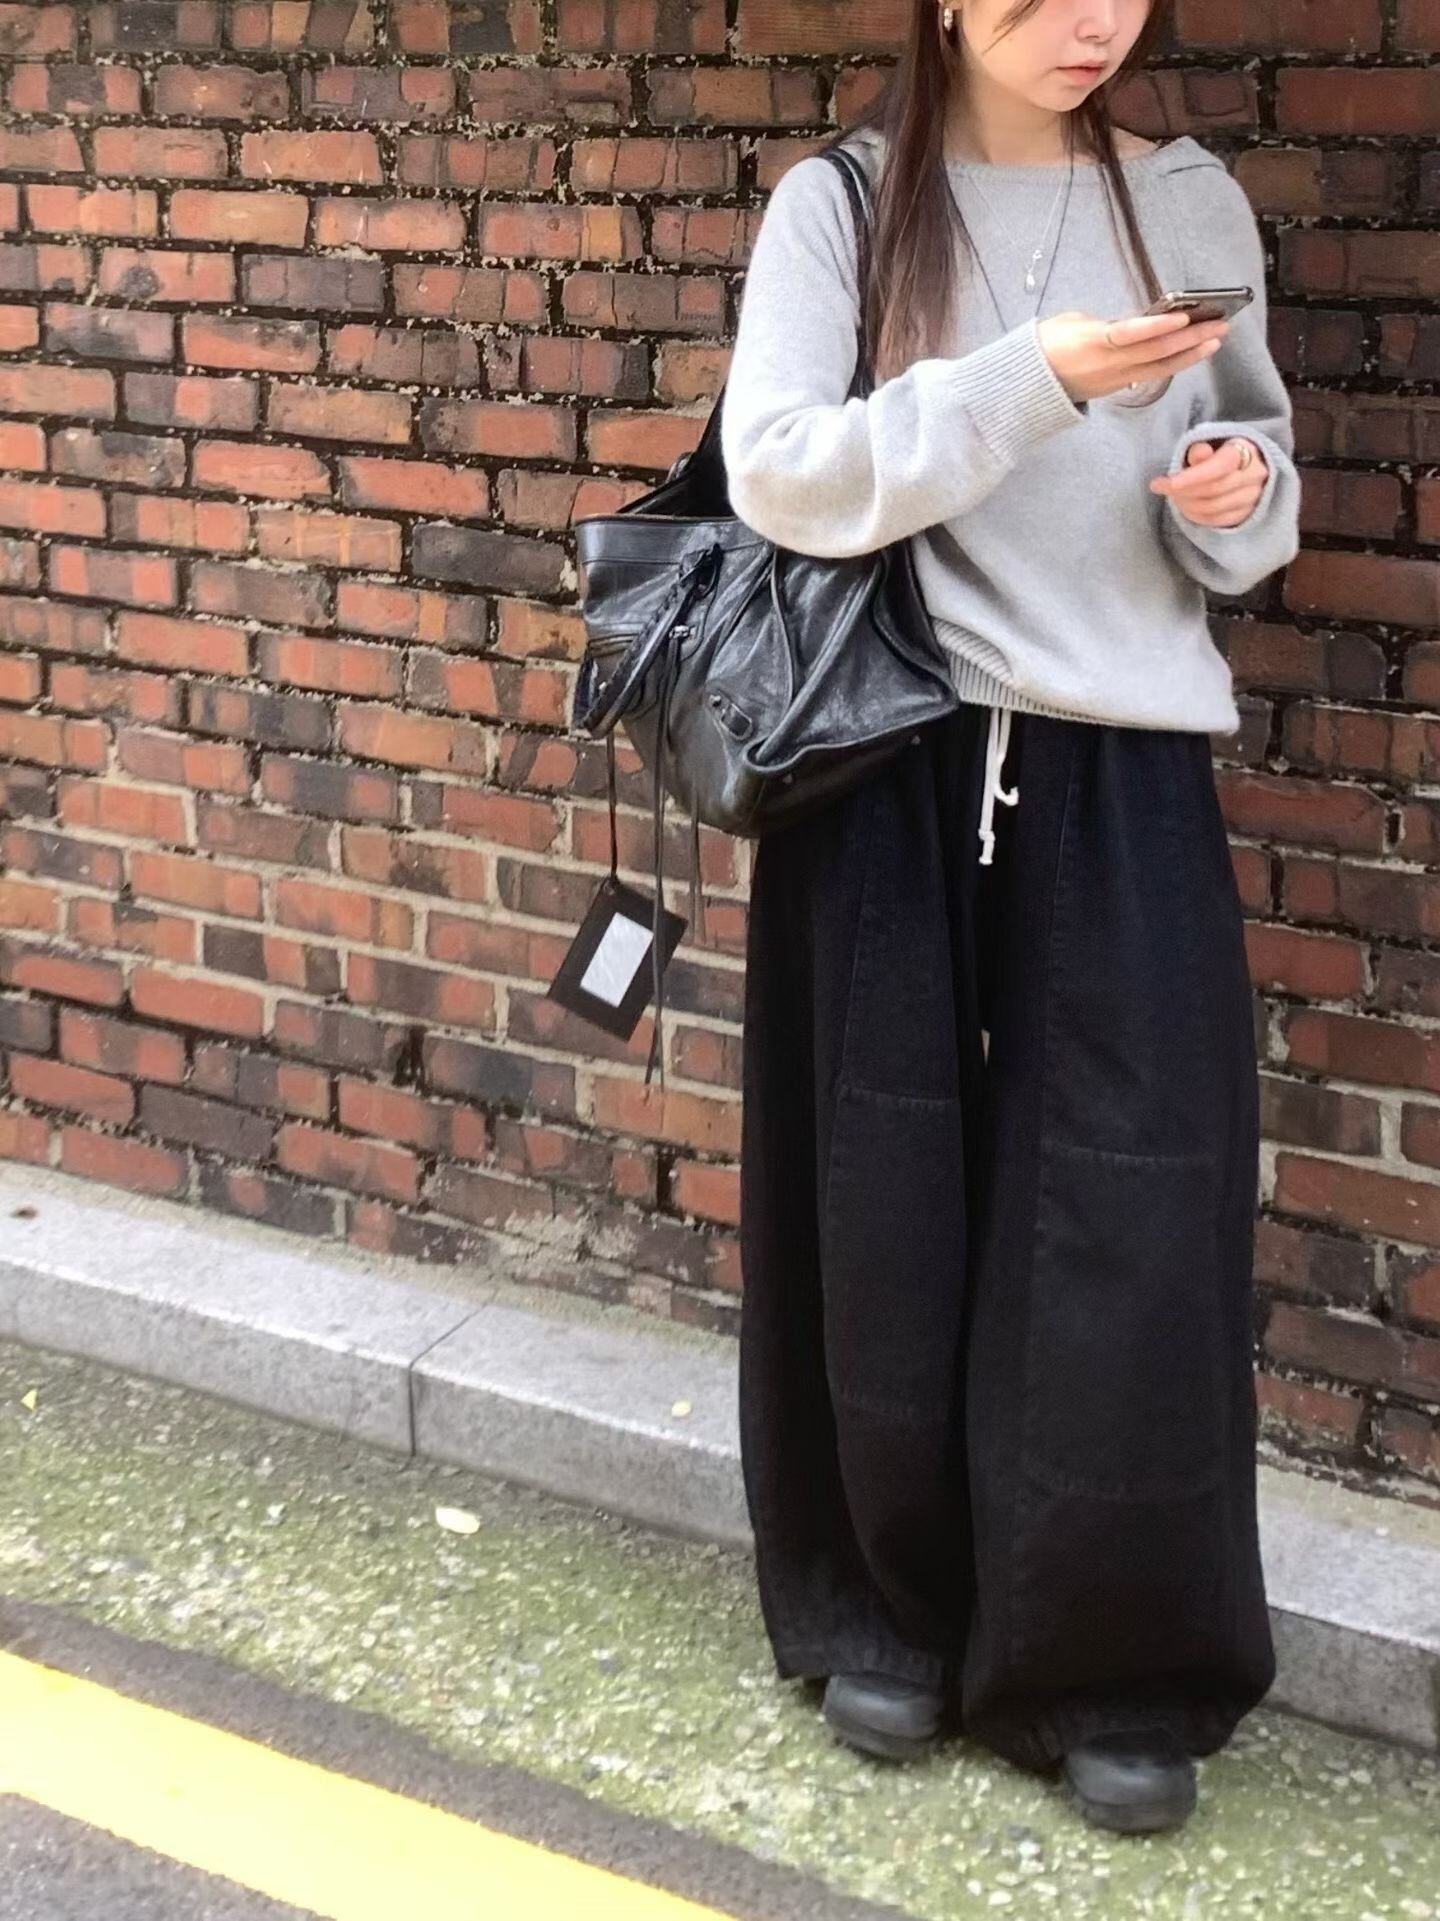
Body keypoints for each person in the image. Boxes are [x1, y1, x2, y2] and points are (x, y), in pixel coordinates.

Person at [719, 0, 1301, 1837]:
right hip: (886, 748)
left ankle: (1113, 1661)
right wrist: (1030, 378)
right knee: (880, 1189)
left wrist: (1235, 498)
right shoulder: (839, 204)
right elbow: (779, 468)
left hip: (1124, 752)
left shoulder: (1186, 200)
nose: (1093, 18)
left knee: (1133, 1209)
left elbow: (1255, 482)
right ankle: (888, 1605)